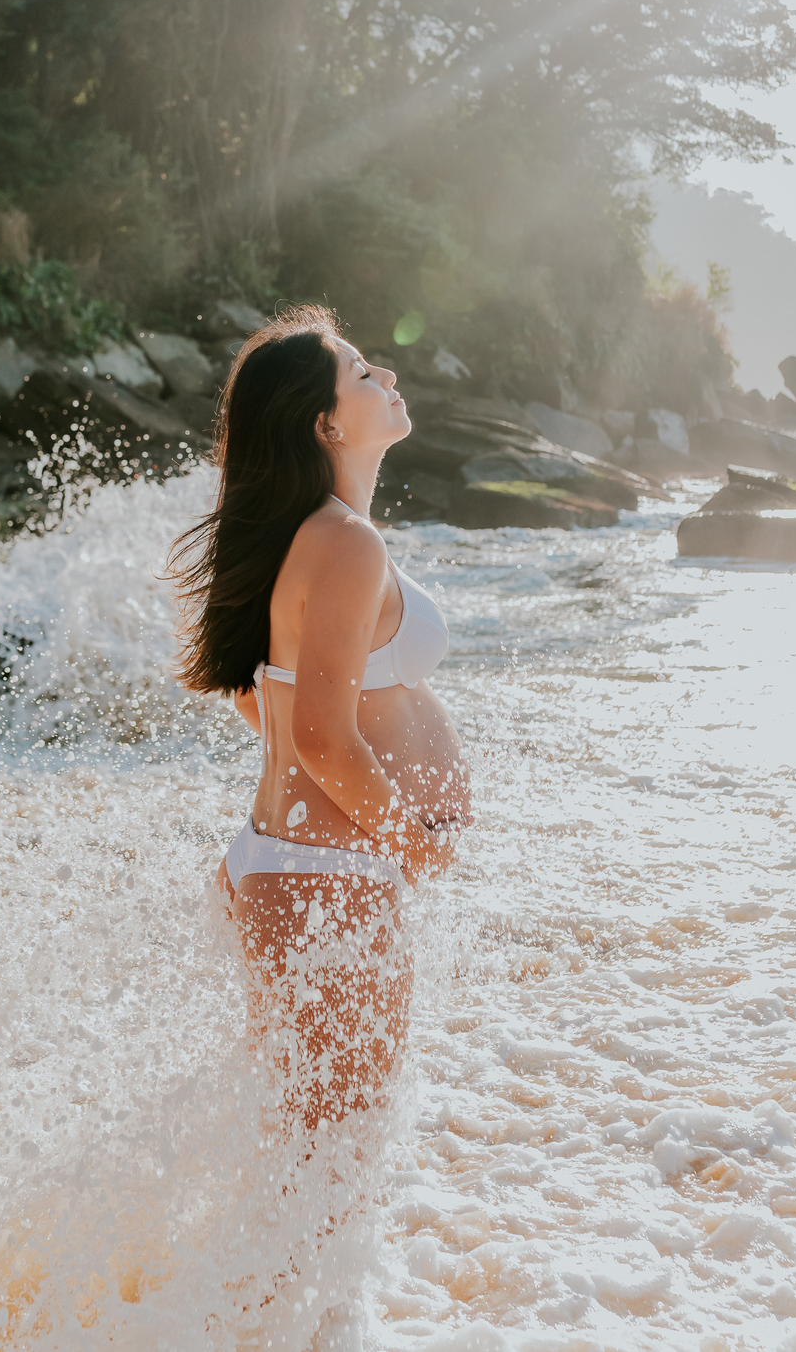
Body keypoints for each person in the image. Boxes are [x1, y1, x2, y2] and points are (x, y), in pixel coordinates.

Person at [170, 305, 472, 1134]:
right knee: (328, 1172)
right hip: (324, 876)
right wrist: (411, 842)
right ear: (326, 422)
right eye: (366, 373)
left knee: (303, 1170)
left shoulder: (312, 536)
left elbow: (258, 692)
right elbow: (318, 736)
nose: (391, 377)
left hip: (298, 868)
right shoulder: (343, 544)